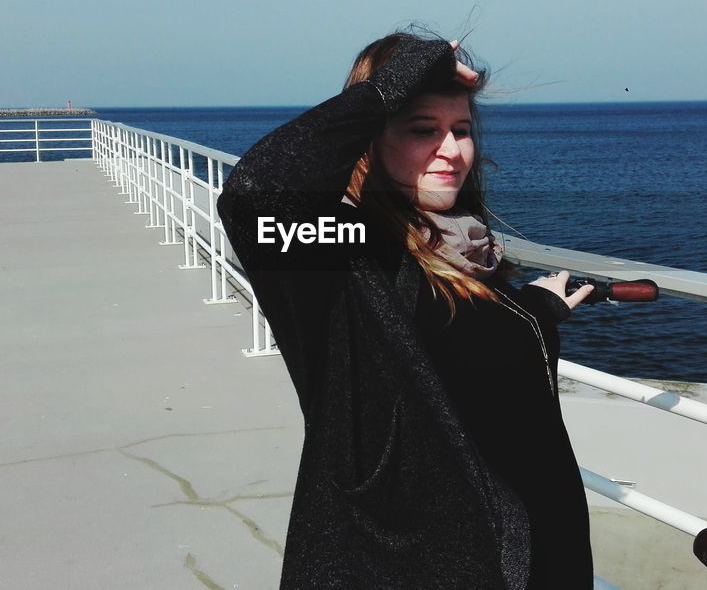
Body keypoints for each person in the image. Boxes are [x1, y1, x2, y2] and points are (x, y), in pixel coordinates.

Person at [217, 31, 596, 588]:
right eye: (423, 130)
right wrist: (391, 85)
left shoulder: (466, 249)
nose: (452, 151)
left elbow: (466, 354)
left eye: (461, 130)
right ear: (369, 140)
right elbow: (255, 202)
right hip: (409, 563)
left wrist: (535, 308)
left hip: (535, 553)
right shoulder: (351, 252)